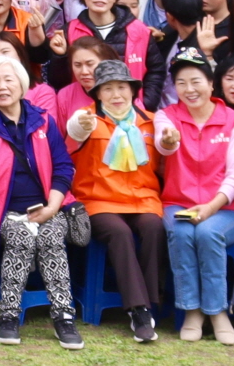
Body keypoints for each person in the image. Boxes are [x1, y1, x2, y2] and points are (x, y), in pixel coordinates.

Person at [0, 53, 80, 348]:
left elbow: (63, 166)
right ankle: (9, 315)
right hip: (4, 212)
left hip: (47, 207)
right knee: (20, 237)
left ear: (22, 84)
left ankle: (64, 316)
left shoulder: (43, 121)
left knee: (52, 237)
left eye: (8, 79)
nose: (2, 86)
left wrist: (52, 207)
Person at [61, 58, 167, 344]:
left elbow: (166, 152)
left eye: (122, 87)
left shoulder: (150, 121)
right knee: (119, 233)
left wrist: (170, 142)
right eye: (107, 89)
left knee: (153, 227)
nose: (116, 95)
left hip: (143, 198)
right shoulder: (87, 117)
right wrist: (79, 127)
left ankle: (151, 302)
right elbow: (74, 132)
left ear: (133, 90)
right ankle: (139, 310)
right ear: (97, 93)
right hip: (99, 200)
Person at [149, 50, 234, 344]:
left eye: (196, 81)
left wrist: (212, 207)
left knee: (207, 233)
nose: (189, 89)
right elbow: (163, 143)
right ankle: (191, 310)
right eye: (181, 83)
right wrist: (168, 141)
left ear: (211, 83)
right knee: (181, 233)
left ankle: (217, 312)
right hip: (177, 203)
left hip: (225, 208)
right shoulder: (167, 116)